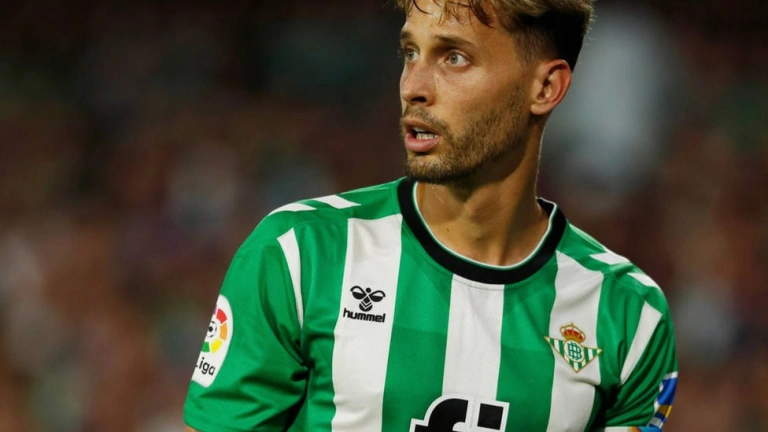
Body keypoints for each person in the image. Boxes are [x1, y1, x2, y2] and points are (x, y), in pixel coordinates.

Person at [184, 0, 678, 430]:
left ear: (545, 87)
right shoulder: (300, 255)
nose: (414, 87)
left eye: (455, 57)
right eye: (410, 53)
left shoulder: (628, 317)